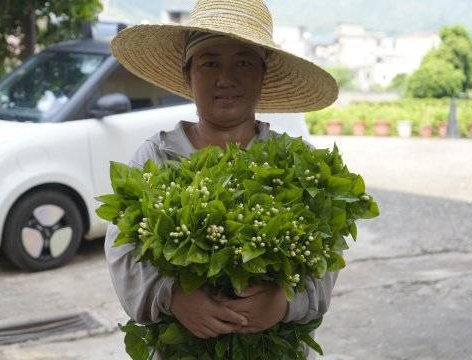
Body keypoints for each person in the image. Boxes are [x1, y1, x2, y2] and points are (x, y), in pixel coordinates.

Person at [104, 0, 339, 357]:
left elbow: (326, 255)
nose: (225, 78)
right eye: (209, 62)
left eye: (243, 63)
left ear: (263, 76)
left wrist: (283, 302)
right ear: (188, 75)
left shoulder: (299, 166)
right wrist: (173, 296)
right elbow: (121, 251)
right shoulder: (156, 159)